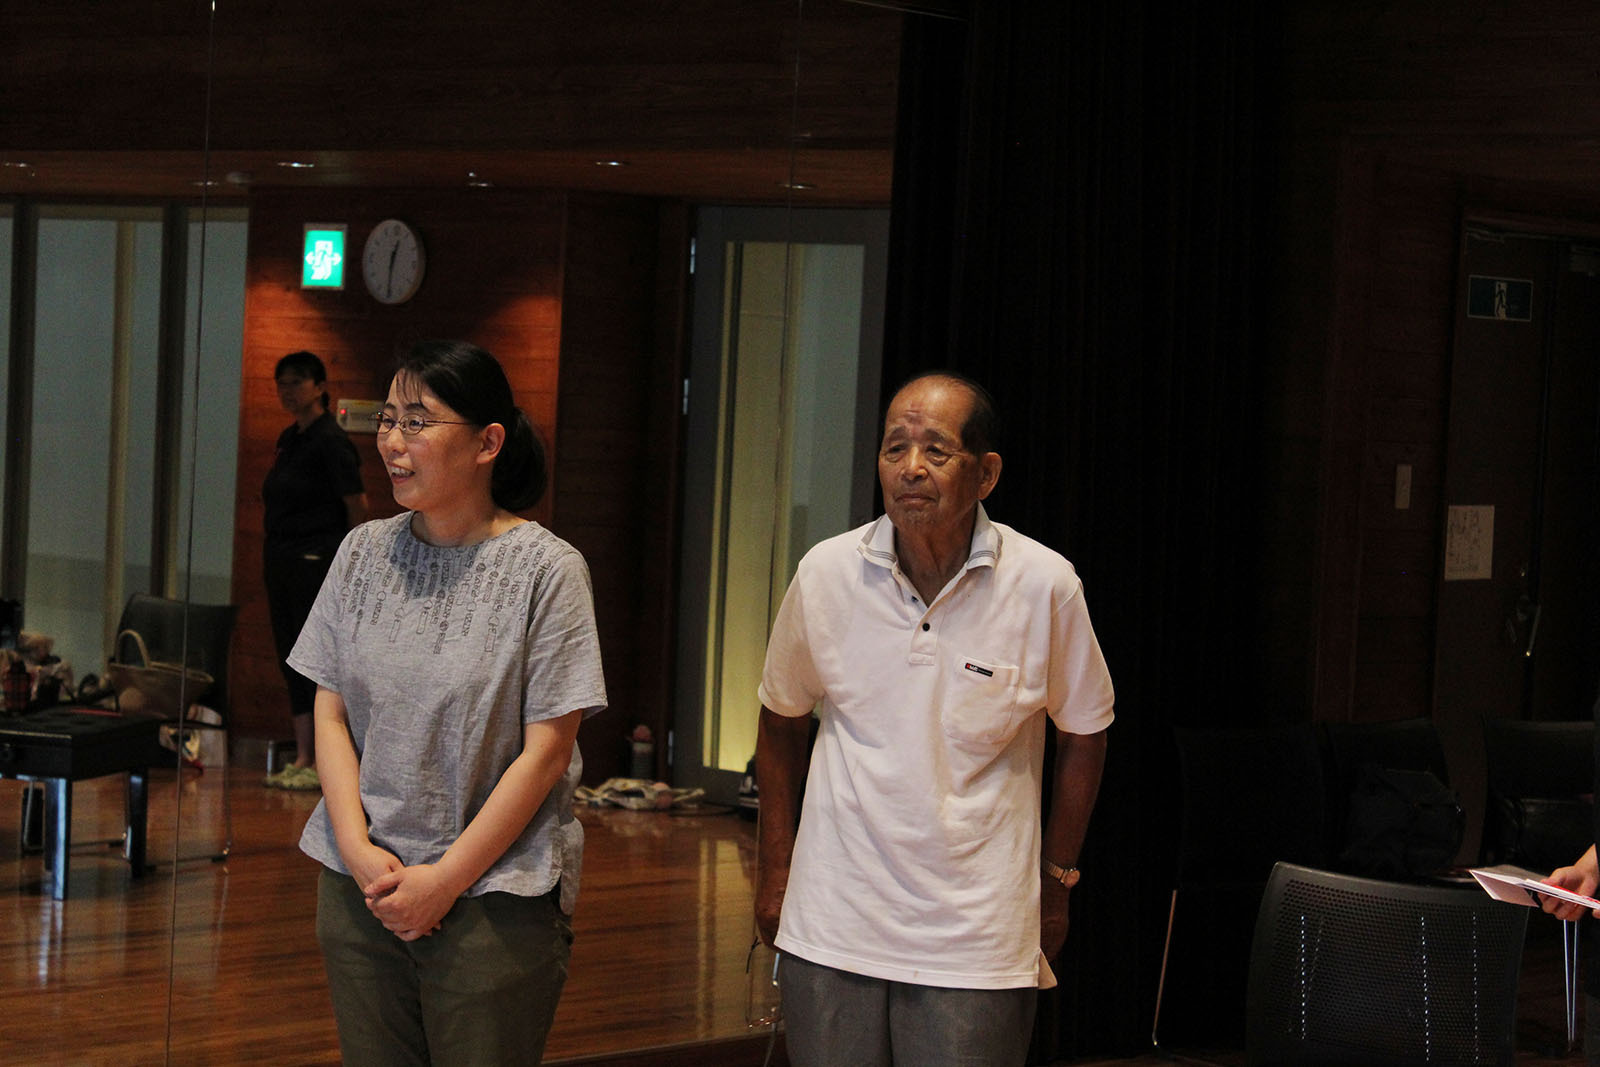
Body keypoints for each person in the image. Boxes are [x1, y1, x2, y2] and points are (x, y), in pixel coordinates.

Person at [754, 371, 1115, 1067]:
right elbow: (781, 719)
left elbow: (1086, 733)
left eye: (936, 451)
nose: (910, 468)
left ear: (987, 474)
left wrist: (1056, 879)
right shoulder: (827, 572)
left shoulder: (1044, 584)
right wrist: (776, 869)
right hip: (832, 921)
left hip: (975, 938)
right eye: (895, 448)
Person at [290, 339, 607, 1066]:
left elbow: (547, 753)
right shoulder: (361, 553)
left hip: (495, 901)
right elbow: (330, 712)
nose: (392, 442)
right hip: (360, 891)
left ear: (488, 443)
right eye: (388, 419)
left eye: (418, 422)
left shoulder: (549, 571)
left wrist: (445, 881)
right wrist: (358, 851)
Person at [261, 350, 366, 790]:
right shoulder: (290, 437)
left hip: (316, 560)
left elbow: (356, 504)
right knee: (290, 653)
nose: (288, 391)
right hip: (281, 557)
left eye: (297, 382)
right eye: (282, 383)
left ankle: (322, 761)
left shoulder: (330, 440)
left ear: (320, 387)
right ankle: (304, 756)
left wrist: (356, 567)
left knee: (314, 659)